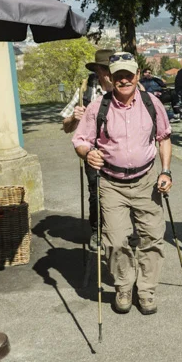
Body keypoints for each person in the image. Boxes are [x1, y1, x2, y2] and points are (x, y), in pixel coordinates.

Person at [72, 51, 174, 315]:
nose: (124, 80)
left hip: (147, 180)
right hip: (111, 183)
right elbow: (80, 140)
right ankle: (124, 286)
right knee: (115, 241)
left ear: (137, 75)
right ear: (111, 77)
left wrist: (166, 172)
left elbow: (164, 138)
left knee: (152, 238)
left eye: (129, 75)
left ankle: (147, 289)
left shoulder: (152, 104)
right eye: (119, 75)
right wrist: (88, 153)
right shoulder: (98, 107)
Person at [62, 49, 114, 247]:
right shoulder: (86, 90)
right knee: (96, 193)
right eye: (106, 70)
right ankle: (97, 232)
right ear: (98, 70)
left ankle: (124, 230)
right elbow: (66, 127)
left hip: (118, 150)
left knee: (123, 191)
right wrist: (74, 118)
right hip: (93, 151)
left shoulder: (124, 86)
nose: (110, 74)